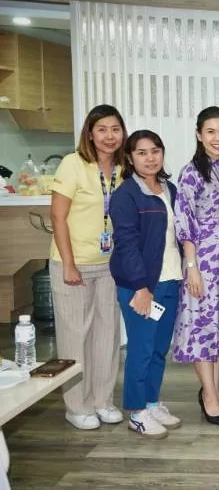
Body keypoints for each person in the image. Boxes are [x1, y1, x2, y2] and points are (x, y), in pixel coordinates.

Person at [49, 104, 127, 430]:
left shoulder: (124, 168)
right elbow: (57, 216)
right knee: (75, 337)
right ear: (90, 134)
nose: (109, 136)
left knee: (107, 336)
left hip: (109, 265)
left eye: (115, 129)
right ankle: (76, 406)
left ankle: (102, 400)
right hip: (74, 264)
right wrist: (69, 264)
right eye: (102, 129)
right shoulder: (73, 164)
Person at [109, 130, 183, 439]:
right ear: (129, 158)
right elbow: (126, 244)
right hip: (141, 286)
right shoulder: (126, 195)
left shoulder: (170, 189)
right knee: (140, 349)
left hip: (170, 279)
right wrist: (141, 287)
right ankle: (137, 412)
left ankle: (152, 403)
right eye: (141, 152)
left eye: (155, 151)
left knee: (159, 349)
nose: (150, 158)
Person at [173, 106, 219, 426]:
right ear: (199, 135)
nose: (218, 138)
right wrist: (192, 267)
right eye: (211, 132)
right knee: (202, 328)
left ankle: (215, 390)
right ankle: (208, 396)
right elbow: (184, 222)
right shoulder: (191, 173)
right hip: (202, 261)